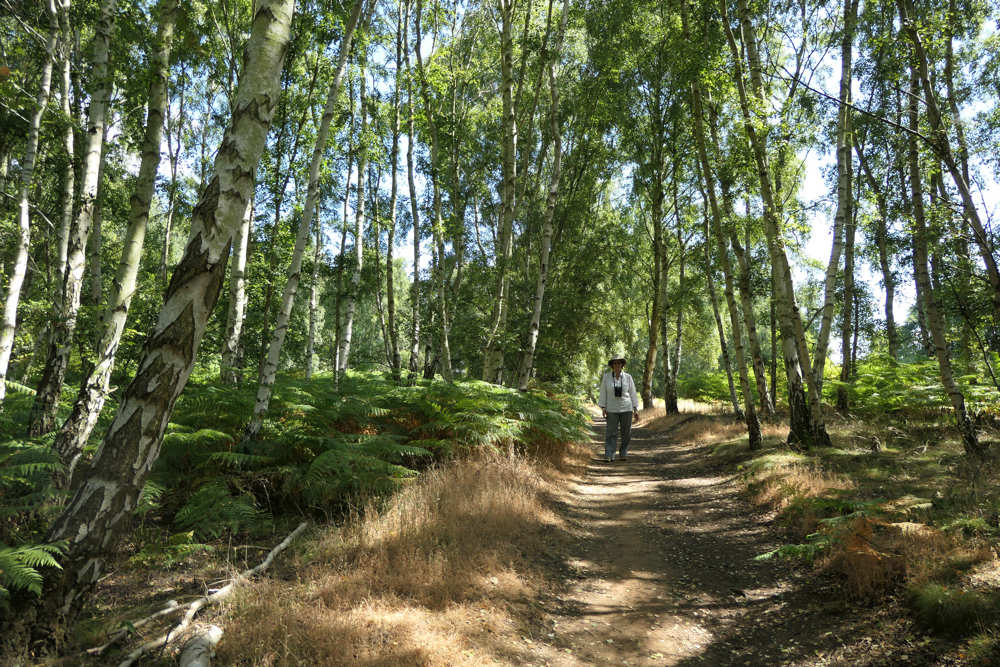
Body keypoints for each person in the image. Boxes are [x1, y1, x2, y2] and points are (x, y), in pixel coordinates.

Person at [597, 354, 639, 462]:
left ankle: (624, 453)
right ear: (612, 365)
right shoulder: (606, 377)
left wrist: (636, 409)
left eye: (618, 362)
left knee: (626, 433)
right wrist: (603, 408)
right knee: (611, 433)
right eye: (614, 363)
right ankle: (609, 455)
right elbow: (603, 393)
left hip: (626, 408)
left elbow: (633, 393)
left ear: (622, 364)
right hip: (611, 409)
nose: (616, 364)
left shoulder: (628, 377)